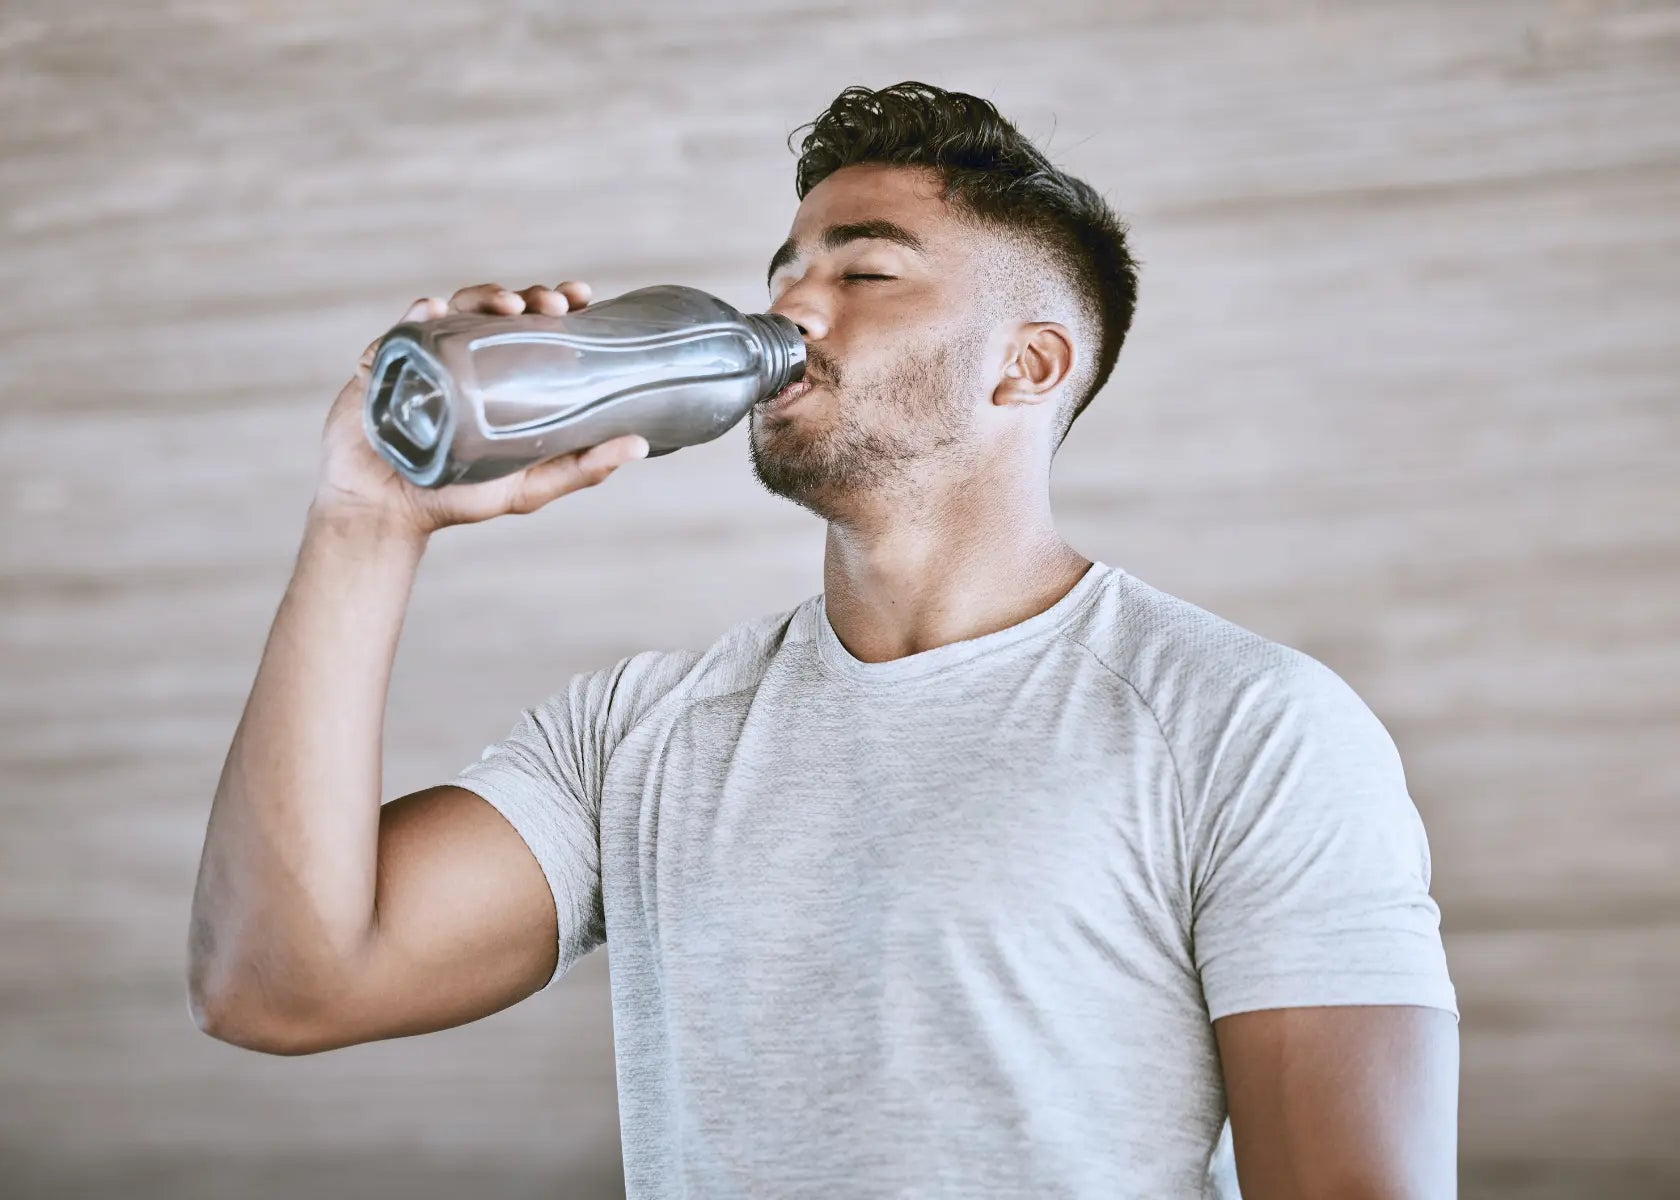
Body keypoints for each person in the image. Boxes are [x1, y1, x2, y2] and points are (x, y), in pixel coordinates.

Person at [188, 81, 1459, 1199]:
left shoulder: (1245, 723)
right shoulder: (640, 737)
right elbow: (279, 984)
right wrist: (366, 517)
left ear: (1025, 366)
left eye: (864, 273)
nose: (794, 311)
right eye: (786, 273)